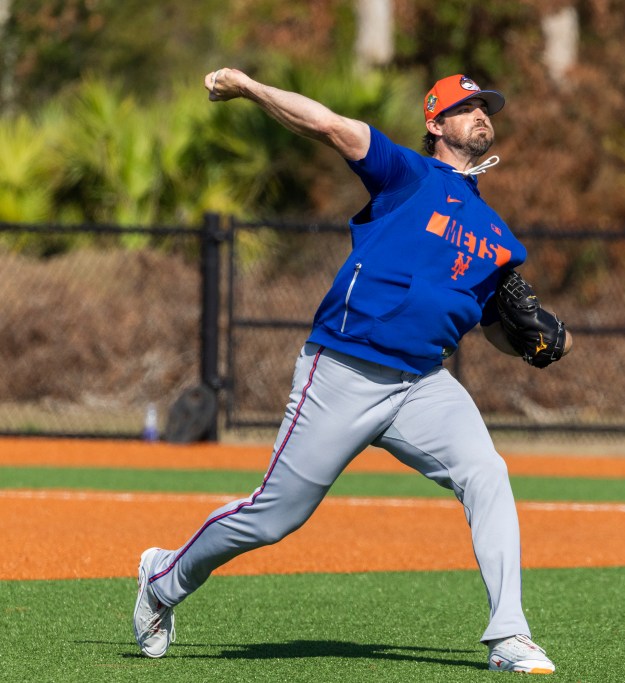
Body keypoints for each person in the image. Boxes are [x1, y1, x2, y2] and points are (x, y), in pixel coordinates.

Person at [131, 68, 573, 675]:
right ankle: (163, 578)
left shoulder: (498, 235)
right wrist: (250, 88)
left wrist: (535, 342)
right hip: (344, 367)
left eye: (485, 107)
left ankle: (509, 636)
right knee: (274, 515)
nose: (481, 115)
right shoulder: (408, 176)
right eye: (466, 106)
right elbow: (328, 124)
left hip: (423, 384)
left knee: (486, 474)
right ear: (435, 123)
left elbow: (496, 327)